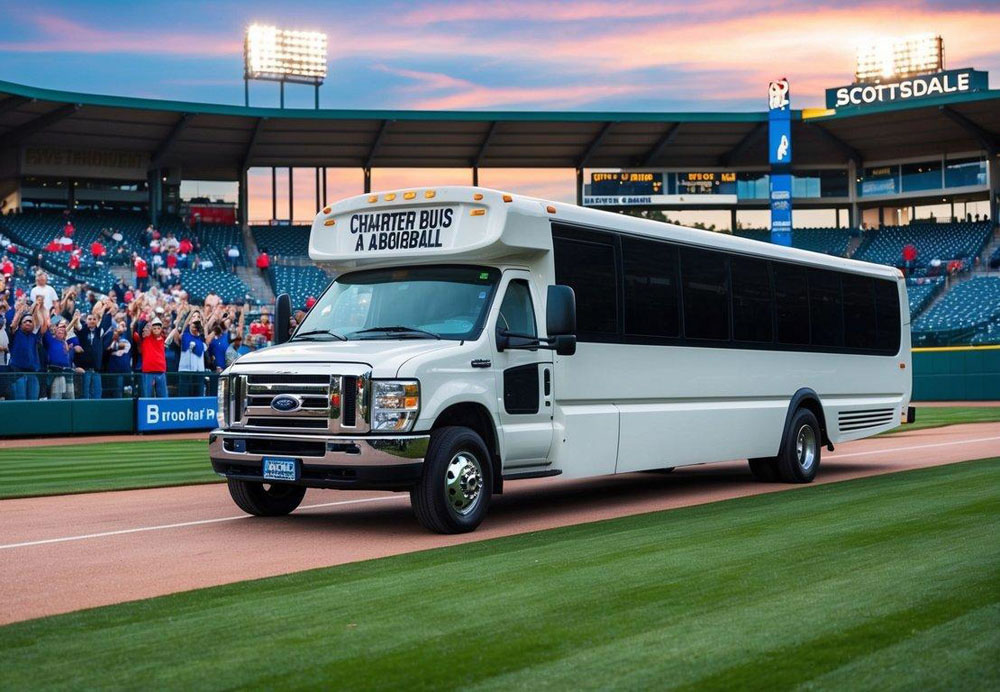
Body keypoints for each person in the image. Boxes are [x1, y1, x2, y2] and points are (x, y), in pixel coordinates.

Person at [8, 296, 46, 400]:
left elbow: (42, 324)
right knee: (20, 400)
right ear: (21, 325)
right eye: (25, 321)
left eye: (30, 321)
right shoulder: (15, 334)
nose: (28, 323)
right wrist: (20, 311)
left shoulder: (34, 335)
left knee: (33, 401)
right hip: (17, 371)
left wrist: (37, 308)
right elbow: (13, 324)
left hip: (32, 372)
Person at [75, 306, 111, 399]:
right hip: (84, 369)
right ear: (86, 321)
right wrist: (77, 317)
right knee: (85, 394)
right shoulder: (82, 331)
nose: (92, 321)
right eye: (89, 319)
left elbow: (102, 320)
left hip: (96, 370)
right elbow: (77, 325)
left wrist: (103, 309)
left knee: (97, 394)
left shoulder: (100, 332)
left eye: (94, 319)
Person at [138, 317, 176, 398]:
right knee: (147, 397)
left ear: (161, 329)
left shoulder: (163, 339)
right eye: (154, 328)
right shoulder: (145, 338)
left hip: (161, 370)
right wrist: (146, 319)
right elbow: (140, 328)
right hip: (148, 371)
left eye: (158, 328)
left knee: (163, 397)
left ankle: (164, 410)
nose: (156, 330)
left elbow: (174, 332)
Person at [43, 317, 80, 400]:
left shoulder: (67, 343)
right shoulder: (51, 340)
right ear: (55, 331)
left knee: (70, 398)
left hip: (68, 372)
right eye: (59, 328)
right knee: (57, 397)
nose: (61, 330)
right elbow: (45, 329)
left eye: (63, 329)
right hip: (56, 372)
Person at [175, 308, 207, 397]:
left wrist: (203, 321)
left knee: (198, 398)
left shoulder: (202, 338)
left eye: (198, 317)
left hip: (199, 372)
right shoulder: (184, 335)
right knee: (184, 398)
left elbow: (206, 330)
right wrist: (190, 315)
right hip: (185, 371)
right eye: (193, 317)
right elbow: (181, 329)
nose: (196, 319)